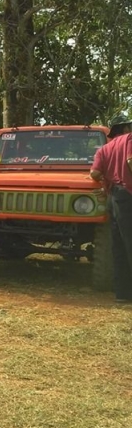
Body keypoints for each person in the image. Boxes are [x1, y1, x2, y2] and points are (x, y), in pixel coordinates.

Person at [90, 114, 132, 303]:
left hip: (113, 197)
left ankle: (123, 293)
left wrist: (106, 184)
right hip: (128, 194)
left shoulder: (104, 149)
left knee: (119, 246)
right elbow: (131, 161)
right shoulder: (130, 139)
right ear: (125, 128)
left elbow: (95, 172)